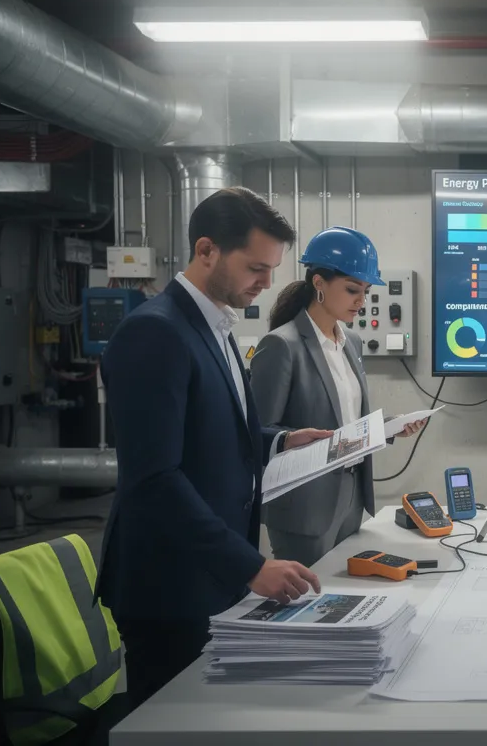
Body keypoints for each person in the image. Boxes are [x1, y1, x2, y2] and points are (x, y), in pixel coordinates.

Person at [99, 187, 332, 709]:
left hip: (211, 575)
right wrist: (249, 565)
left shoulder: (218, 326)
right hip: (169, 585)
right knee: (174, 726)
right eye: (256, 267)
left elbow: (211, 430)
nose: (268, 283)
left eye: (272, 269)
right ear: (206, 251)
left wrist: (280, 439)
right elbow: (154, 479)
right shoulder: (154, 333)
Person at [250, 227, 426, 567]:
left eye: (366, 291)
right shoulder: (281, 345)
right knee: (306, 604)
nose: (362, 301)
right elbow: (255, 431)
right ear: (318, 283)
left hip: (351, 497)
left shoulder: (352, 342)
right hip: (304, 506)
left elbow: (346, 424)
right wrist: (288, 439)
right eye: (351, 290)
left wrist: (388, 428)